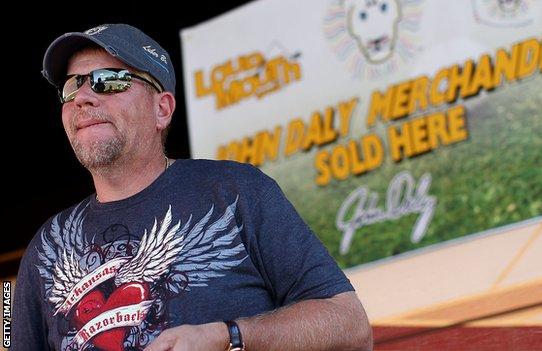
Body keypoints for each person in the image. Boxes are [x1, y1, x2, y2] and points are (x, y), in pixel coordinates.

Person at [12, 23, 372, 351]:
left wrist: (225, 336)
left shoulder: (236, 191)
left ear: (162, 109)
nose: (83, 97)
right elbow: (8, 334)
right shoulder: (42, 249)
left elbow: (350, 324)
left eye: (109, 80)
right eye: (73, 85)